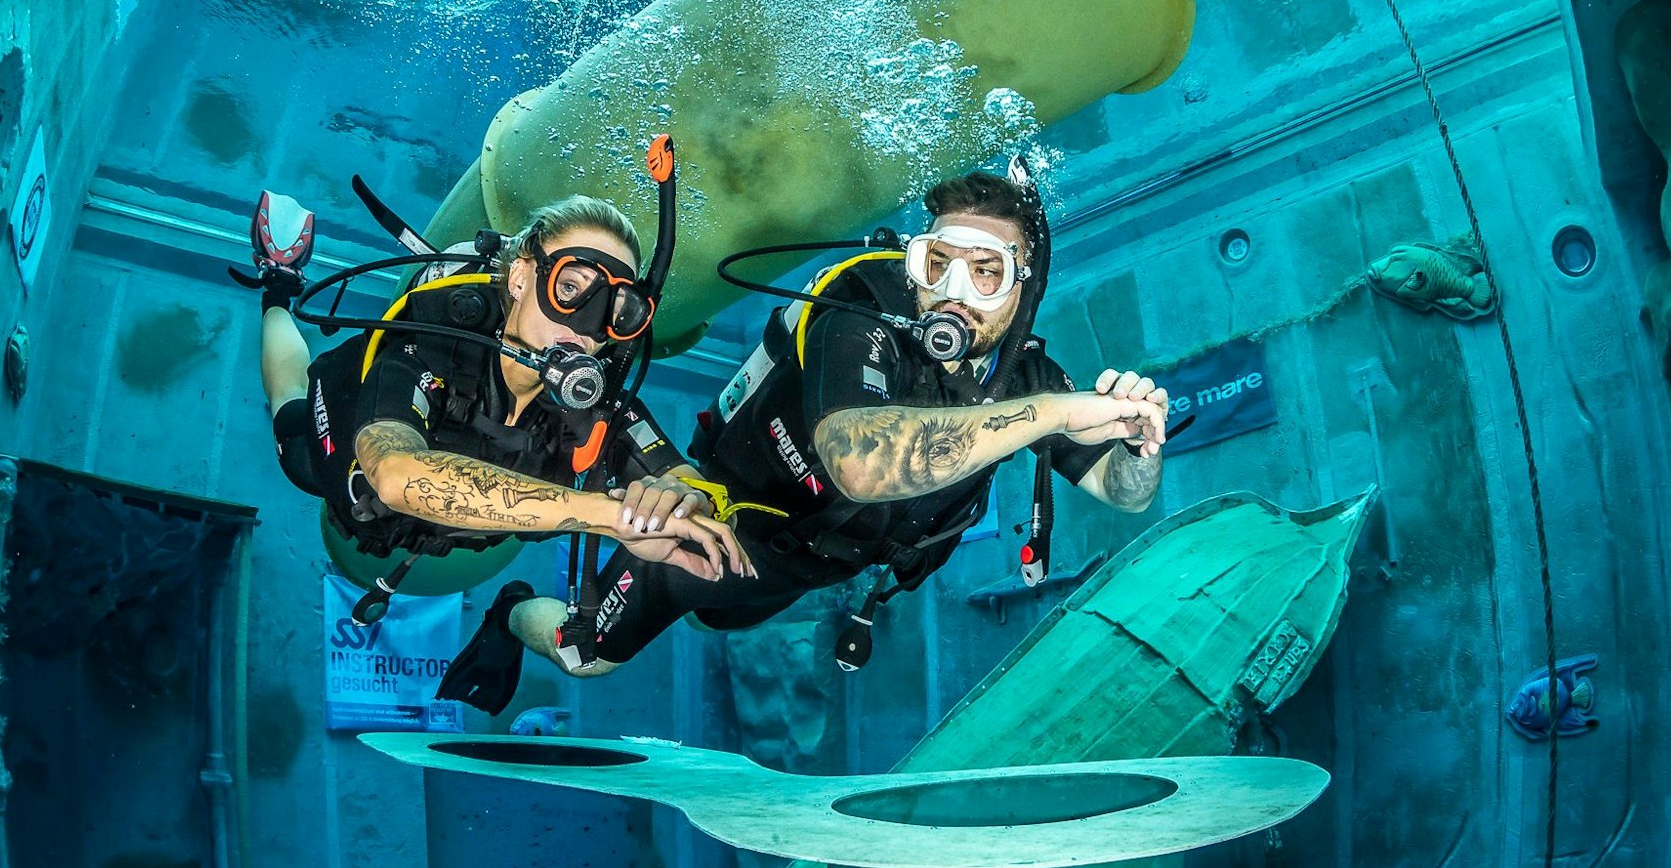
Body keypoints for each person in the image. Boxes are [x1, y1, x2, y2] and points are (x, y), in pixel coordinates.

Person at [471, 166, 1170, 684]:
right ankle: (508, 612)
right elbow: (859, 462)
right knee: (585, 653)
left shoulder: (1024, 375)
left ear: (1024, 288)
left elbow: (1127, 490)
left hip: (825, 564)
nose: (951, 295)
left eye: (985, 274)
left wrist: (1140, 444)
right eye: (937, 264)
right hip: (731, 529)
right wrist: (1048, 414)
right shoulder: (860, 307)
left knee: (731, 617)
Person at [247, 190, 753, 713]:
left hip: (481, 545)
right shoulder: (434, 339)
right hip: (359, 511)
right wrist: (609, 517)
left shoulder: (594, 398)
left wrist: (681, 501)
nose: (585, 326)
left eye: (615, 311)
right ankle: (278, 286)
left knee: (591, 654)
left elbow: (685, 477)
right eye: (571, 287)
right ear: (520, 277)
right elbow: (397, 476)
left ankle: (508, 615)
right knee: (292, 423)